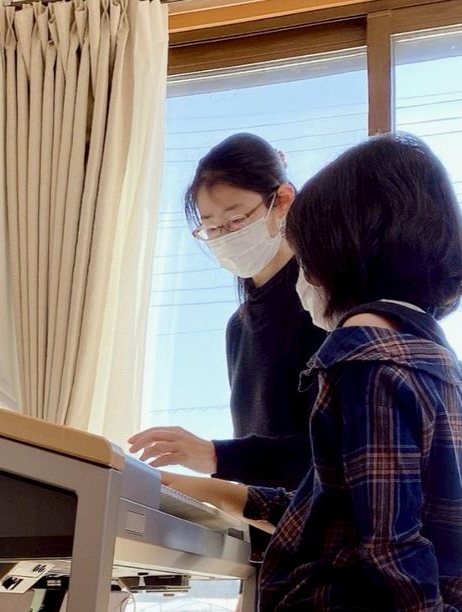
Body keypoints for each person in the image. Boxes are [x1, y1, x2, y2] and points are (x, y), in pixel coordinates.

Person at [162, 133, 462, 611]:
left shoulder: (365, 359)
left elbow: (388, 555)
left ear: (344, 254)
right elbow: (336, 511)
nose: (303, 275)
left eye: (307, 254)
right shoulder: (427, 354)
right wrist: (210, 490)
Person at [128, 133, 326, 512]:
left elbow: (335, 453)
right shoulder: (239, 327)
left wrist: (214, 456)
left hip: (323, 531)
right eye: (212, 228)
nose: (225, 237)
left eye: (235, 220)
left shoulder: (320, 305)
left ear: (282, 201)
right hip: (270, 530)